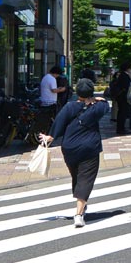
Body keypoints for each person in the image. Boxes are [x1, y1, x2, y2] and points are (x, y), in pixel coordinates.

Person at [39, 78, 108, 228]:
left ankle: (81, 204)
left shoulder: (69, 107)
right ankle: (79, 213)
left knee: (76, 176)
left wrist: (50, 136)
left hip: (70, 147)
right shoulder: (98, 107)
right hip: (90, 147)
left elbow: (59, 122)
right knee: (86, 179)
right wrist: (95, 99)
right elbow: (105, 105)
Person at [38, 66, 65, 133]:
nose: (58, 76)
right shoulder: (52, 79)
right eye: (58, 74)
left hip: (44, 101)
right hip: (50, 102)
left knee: (46, 118)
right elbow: (54, 90)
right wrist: (62, 89)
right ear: (56, 73)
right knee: (53, 118)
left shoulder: (45, 77)